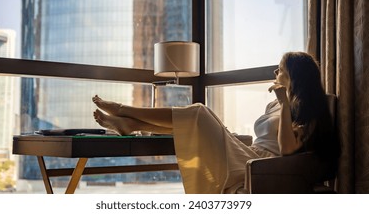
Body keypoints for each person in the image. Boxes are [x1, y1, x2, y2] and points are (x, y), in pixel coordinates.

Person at [92, 52, 340, 193]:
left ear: (294, 75)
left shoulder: (305, 109)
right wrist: (280, 103)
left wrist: (285, 104)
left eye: (280, 69)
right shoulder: (274, 104)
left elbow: (287, 150)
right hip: (249, 152)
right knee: (198, 120)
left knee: (199, 112)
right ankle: (132, 125)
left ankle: (124, 111)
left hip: (262, 165)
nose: (275, 74)